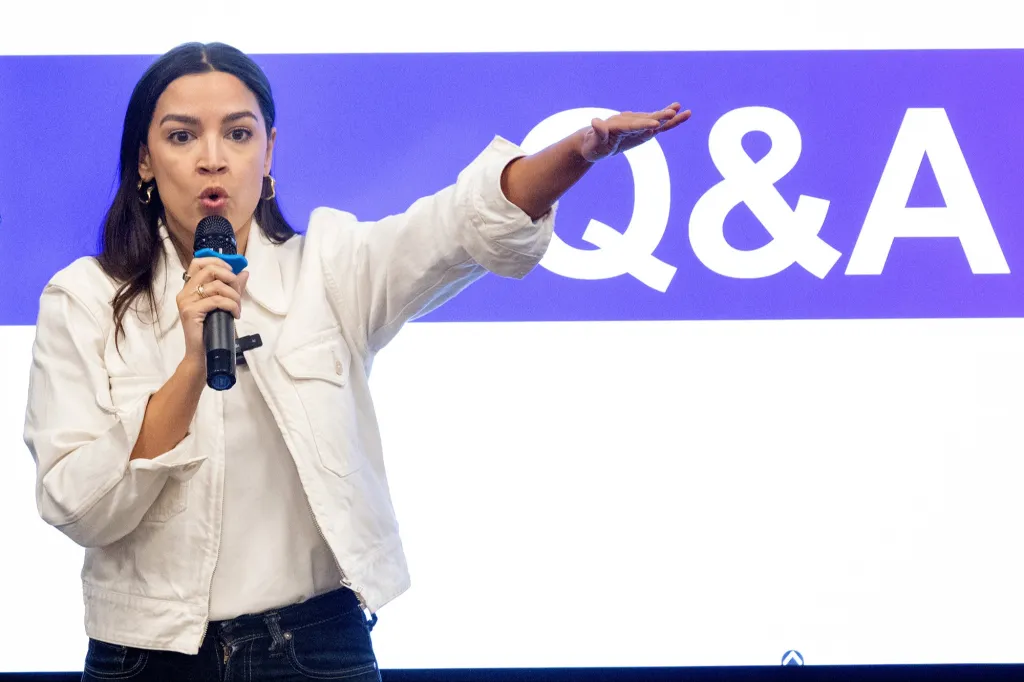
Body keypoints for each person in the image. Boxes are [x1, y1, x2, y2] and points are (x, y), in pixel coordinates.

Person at [22, 42, 690, 682]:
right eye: (181, 136)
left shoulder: (334, 268)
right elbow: (77, 505)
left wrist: (580, 152)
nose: (212, 160)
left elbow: (457, 226)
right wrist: (193, 364)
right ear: (144, 159)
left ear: (269, 150)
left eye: (238, 133)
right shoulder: (82, 299)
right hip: (145, 657)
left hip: (313, 648)